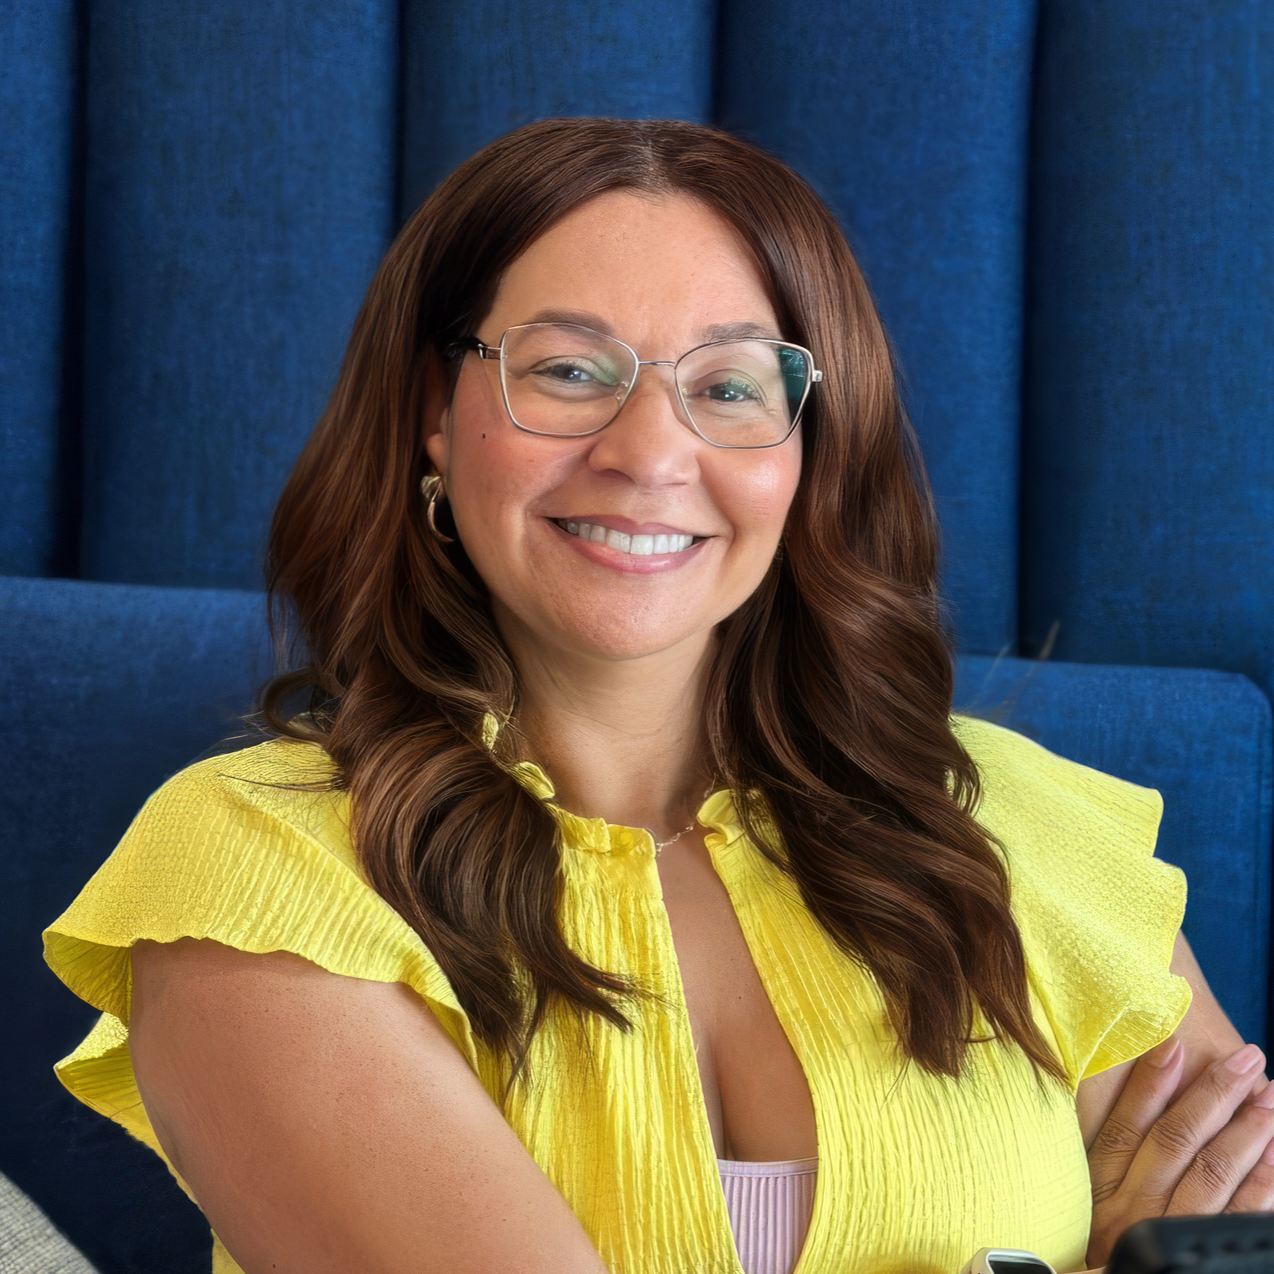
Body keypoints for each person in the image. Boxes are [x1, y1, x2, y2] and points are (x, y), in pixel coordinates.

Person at [43, 118, 1274, 1274]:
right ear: (435, 412)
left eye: (730, 386)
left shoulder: (1019, 830)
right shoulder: (254, 880)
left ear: (805, 448)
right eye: (570, 369)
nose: (647, 452)